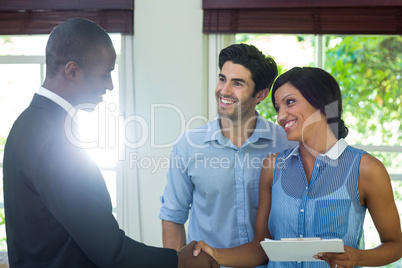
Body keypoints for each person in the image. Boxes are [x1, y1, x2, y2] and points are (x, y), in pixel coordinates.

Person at [3, 18, 218, 268]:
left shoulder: (30, 123)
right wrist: (178, 261)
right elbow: (110, 252)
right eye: (105, 75)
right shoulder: (54, 141)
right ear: (72, 71)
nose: (110, 85)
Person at [193, 67, 402, 267]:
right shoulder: (272, 167)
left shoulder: (366, 169)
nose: (280, 116)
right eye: (277, 108)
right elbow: (261, 248)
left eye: (289, 103)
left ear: (322, 103)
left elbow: (395, 245)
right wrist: (215, 254)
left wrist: (358, 258)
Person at [159, 43, 296, 268]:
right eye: (222, 79)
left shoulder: (285, 143)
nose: (224, 90)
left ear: (260, 94)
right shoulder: (188, 147)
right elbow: (173, 217)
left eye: (238, 83)